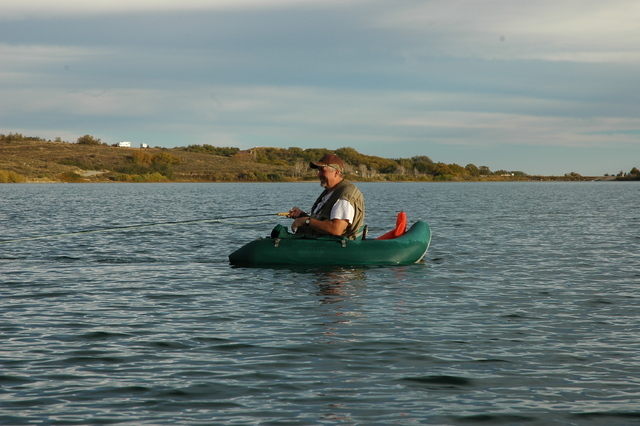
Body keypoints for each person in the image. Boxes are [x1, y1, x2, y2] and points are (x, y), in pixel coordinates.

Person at [287, 153, 365, 240]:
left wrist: (306, 221)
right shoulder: (330, 192)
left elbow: (336, 229)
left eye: (322, 170)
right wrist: (302, 215)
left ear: (336, 173)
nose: (318, 174)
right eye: (318, 170)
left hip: (336, 248)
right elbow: (321, 221)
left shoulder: (344, 196)